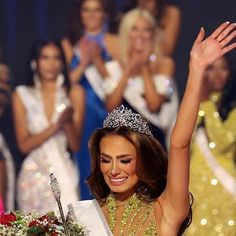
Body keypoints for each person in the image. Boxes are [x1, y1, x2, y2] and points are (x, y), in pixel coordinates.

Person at [85, 22, 236, 235]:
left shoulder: (165, 210)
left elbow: (180, 144)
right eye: (106, 159)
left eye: (125, 160)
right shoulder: (86, 216)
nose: (113, 170)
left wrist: (196, 69)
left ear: (142, 160)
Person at [12, 40, 84, 212]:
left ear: (62, 63)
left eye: (56, 58)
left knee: (69, 224)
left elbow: (75, 145)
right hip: (32, 176)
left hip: (63, 170)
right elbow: (24, 145)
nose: (50, 64)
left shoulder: (74, 92)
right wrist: (56, 124)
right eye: (45, 58)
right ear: (35, 62)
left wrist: (67, 122)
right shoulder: (22, 94)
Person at [62, 0, 119, 199]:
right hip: (81, 115)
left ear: (105, 13)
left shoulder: (114, 41)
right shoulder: (69, 44)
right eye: (87, 10)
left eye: (97, 10)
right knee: (85, 163)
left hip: (106, 112)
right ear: (80, 14)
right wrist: (85, 61)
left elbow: (123, 85)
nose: (92, 15)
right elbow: (64, 84)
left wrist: (97, 61)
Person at [102, 9, 178, 148]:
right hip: (125, 140)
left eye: (146, 30)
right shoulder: (113, 67)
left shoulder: (165, 64)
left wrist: (144, 67)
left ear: (153, 34)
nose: (140, 35)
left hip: (155, 139)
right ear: (126, 33)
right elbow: (111, 106)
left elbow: (154, 105)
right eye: (135, 29)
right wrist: (128, 70)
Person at [186, 56, 236, 235]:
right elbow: (183, 142)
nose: (216, 74)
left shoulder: (232, 107)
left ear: (230, 73)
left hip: (224, 183)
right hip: (195, 182)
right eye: (211, 68)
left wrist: (206, 103)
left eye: (222, 68)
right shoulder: (193, 102)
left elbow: (221, 142)